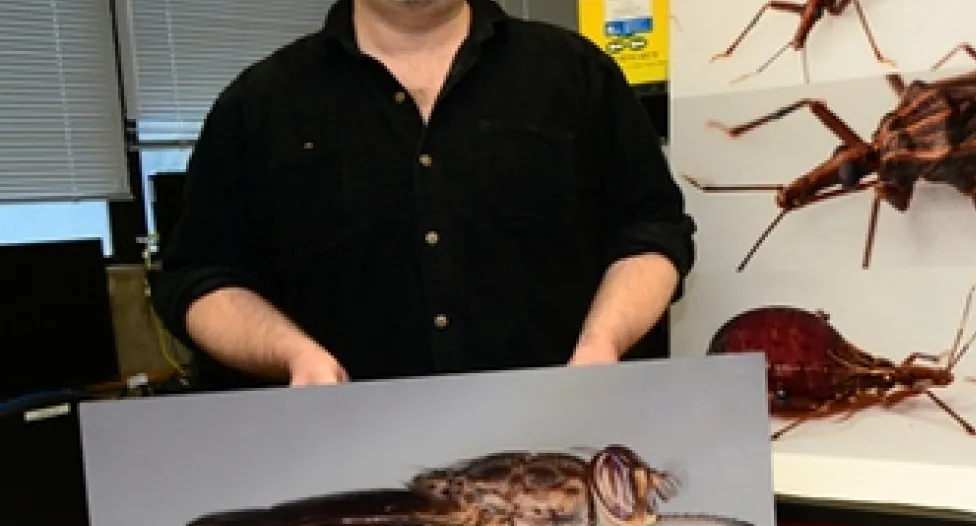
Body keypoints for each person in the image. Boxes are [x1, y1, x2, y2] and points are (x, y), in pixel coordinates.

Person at [152, 0, 692, 390]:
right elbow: (198, 278)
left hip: (557, 448)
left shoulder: (577, 74)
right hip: (346, 472)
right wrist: (292, 354)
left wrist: (604, 342)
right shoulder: (259, 103)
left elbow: (653, 231)